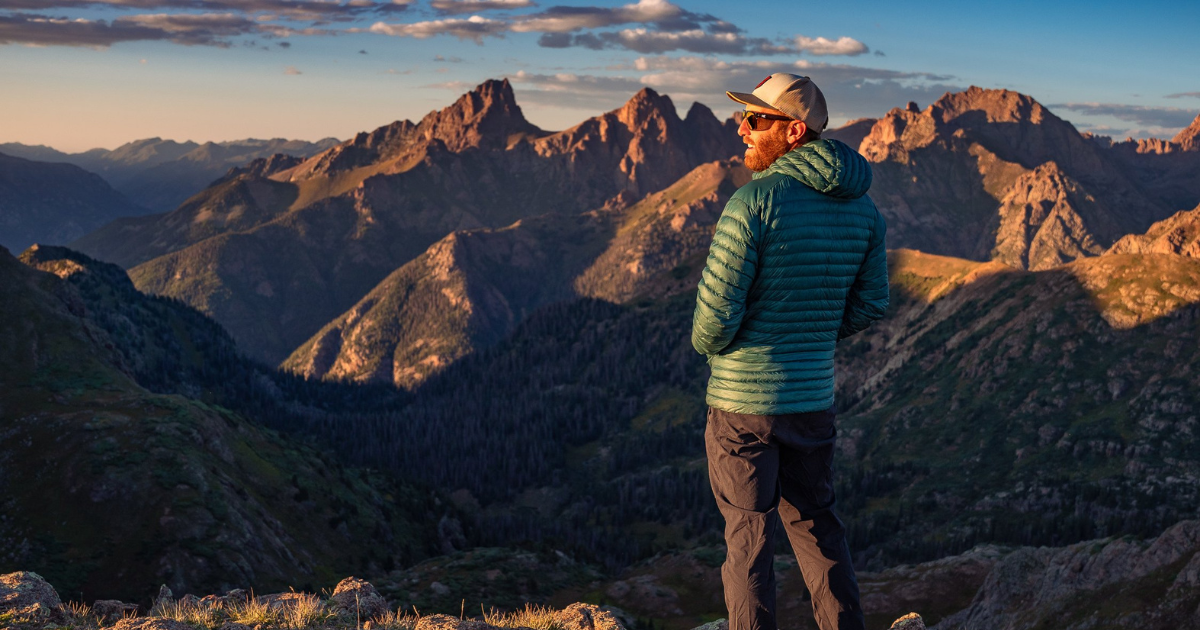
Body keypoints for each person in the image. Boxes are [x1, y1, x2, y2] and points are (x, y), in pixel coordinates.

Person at [691, 73, 889, 630]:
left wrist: (721, 352)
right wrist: (811, 337)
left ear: (794, 131)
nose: (742, 129)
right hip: (811, 402)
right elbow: (872, 304)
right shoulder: (865, 211)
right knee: (818, 524)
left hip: (743, 409)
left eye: (755, 119)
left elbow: (713, 321)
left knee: (748, 536)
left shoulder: (753, 201)